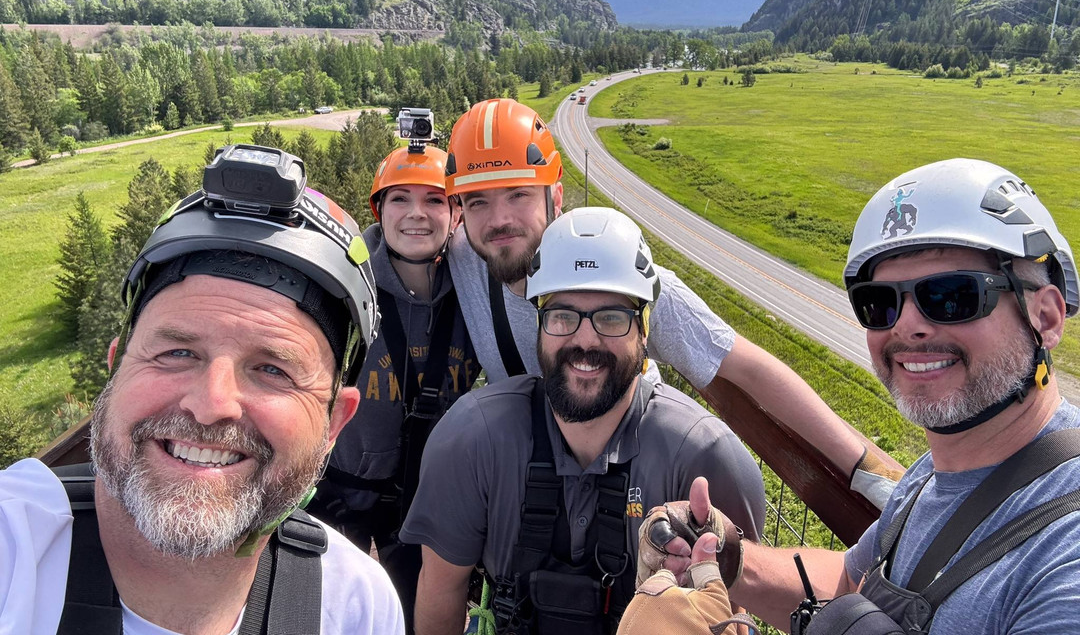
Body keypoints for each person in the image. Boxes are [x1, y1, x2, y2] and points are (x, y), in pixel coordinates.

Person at [624, 158, 1080, 634]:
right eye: (880, 302)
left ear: (1045, 318)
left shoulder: (1064, 552)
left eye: (951, 296)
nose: (907, 325)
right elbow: (848, 583)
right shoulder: (932, 477)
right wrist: (725, 553)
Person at [0, 144, 405, 635]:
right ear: (116, 369)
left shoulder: (356, 606)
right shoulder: (13, 548)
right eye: (177, 353)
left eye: (273, 369)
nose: (212, 405)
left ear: (332, 423)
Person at [443, 97, 900, 509]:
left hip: (629, 486)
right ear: (461, 210)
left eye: (518, 194)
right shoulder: (465, 256)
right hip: (540, 486)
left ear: (554, 196)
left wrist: (863, 466)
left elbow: (747, 367)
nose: (499, 220)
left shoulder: (618, 280)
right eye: (478, 201)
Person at [400, 207, 766, 635]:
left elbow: (733, 615)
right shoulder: (472, 442)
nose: (585, 340)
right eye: (562, 315)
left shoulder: (705, 462)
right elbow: (440, 593)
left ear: (644, 331)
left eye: (611, 317)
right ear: (539, 325)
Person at [309, 142, 477, 633]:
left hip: (424, 496)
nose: (416, 215)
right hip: (339, 493)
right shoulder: (341, 287)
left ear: (456, 213)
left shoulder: (475, 292)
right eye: (400, 198)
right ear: (378, 210)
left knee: (414, 614)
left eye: (434, 199)